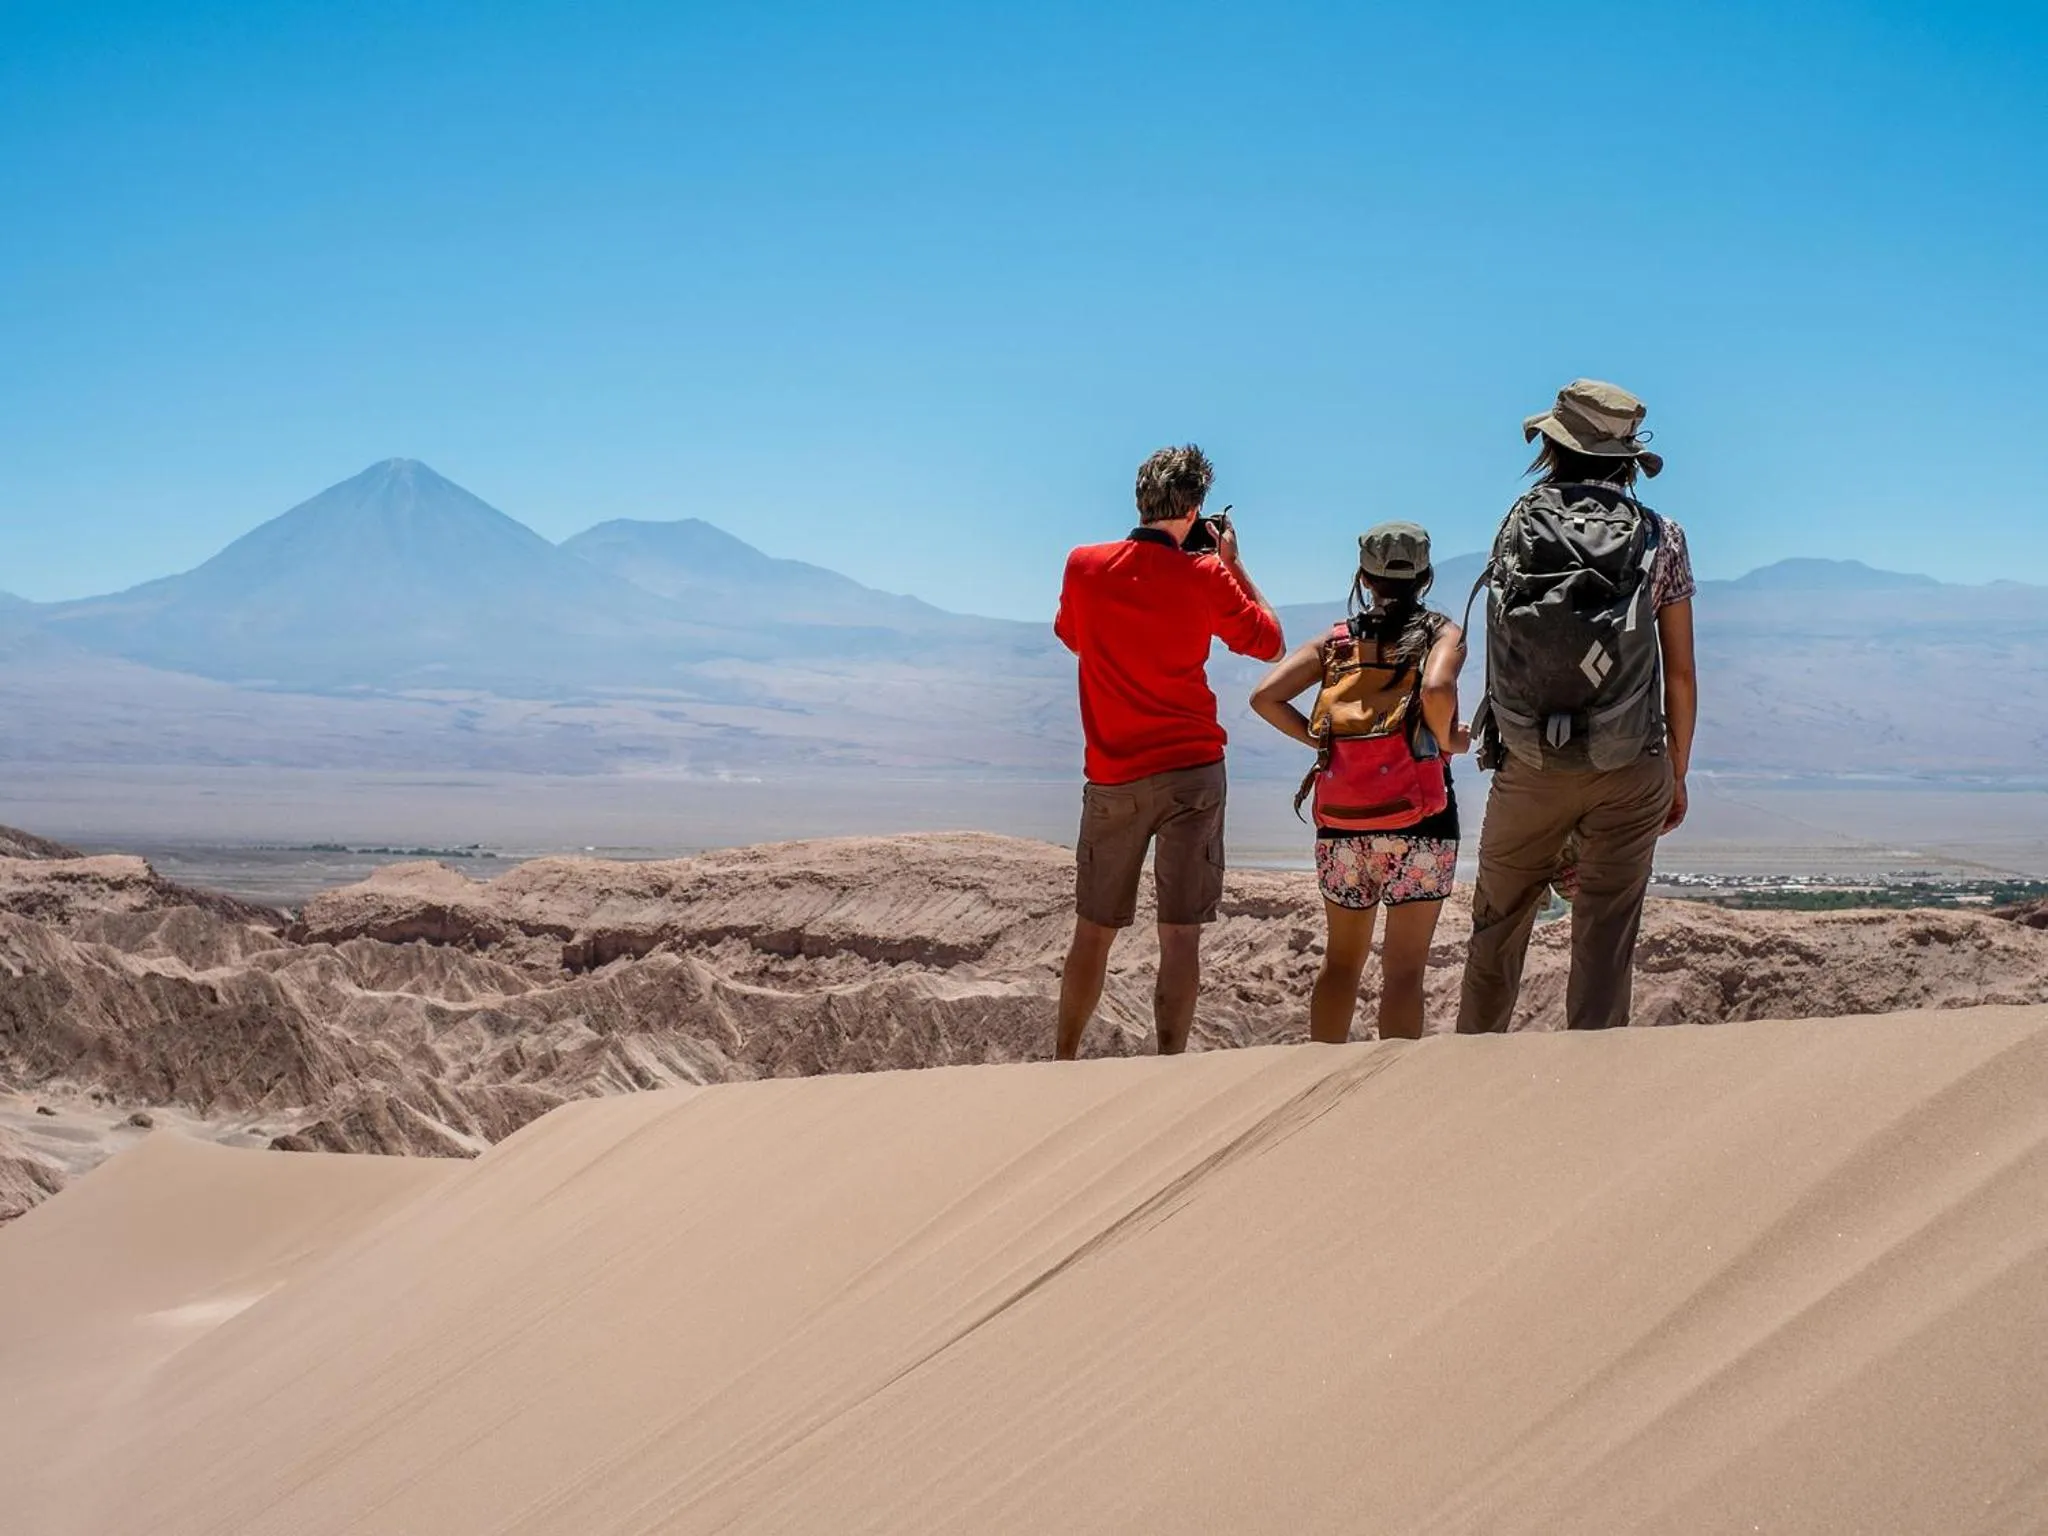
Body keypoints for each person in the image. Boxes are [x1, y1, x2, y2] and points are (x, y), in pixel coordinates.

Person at [1457, 380, 1698, 1032]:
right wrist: (1674, 772)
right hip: (1630, 762)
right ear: (1626, 457)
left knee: (1497, 930)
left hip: (1529, 760)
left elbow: (1503, 644)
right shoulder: (1661, 535)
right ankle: (1589, 1105)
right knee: (1605, 940)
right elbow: (1679, 673)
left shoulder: (1516, 523)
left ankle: (1459, 1094)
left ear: (1555, 448)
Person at [1052, 444, 1285, 1059]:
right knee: (1180, 935)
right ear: (1196, 508)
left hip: (1112, 776)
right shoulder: (1205, 576)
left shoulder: (1083, 566)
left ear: (1140, 498)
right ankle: (1169, 1066)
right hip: (1193, 773)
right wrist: (1233, 564)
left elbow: (1071, 634)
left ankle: (1062, 1061)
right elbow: (1270, 642)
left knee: (1093, 930)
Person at [1250, 522, 1469, 1042]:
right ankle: (1391, 1093)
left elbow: (1265, 696)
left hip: (1344, 824)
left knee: (1341, 964)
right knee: (1404, 973)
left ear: (1364, 576)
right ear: (1426, 574)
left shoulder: (1336, 642)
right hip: (1424, 822)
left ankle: (1321, 1083)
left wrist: (1322, 744)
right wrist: (1448, 740)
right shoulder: (1441, 632)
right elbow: (1437, 687)